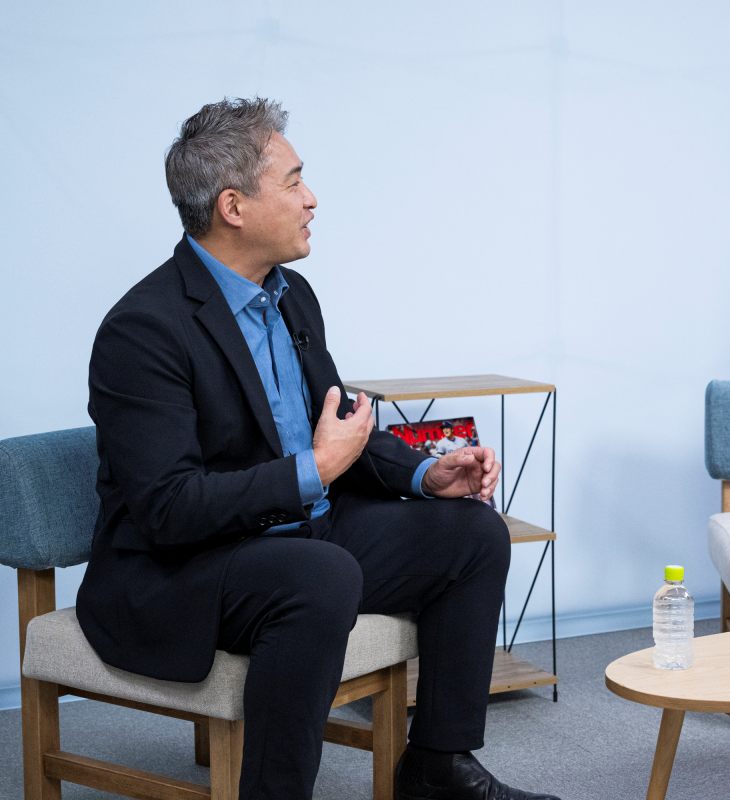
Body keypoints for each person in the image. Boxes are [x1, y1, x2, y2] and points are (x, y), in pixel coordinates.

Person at [77, 98, 560, 800]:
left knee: (474, 534)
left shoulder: (291, 295)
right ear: (234, 206)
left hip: (302, 535)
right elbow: (167, 510)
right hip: (185, 566)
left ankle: (437, 767)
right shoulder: (142, 331)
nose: (312, 198)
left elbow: (335, 421)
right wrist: (315, 470)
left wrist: (428, 474)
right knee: (319, 573)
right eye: (294, 180)